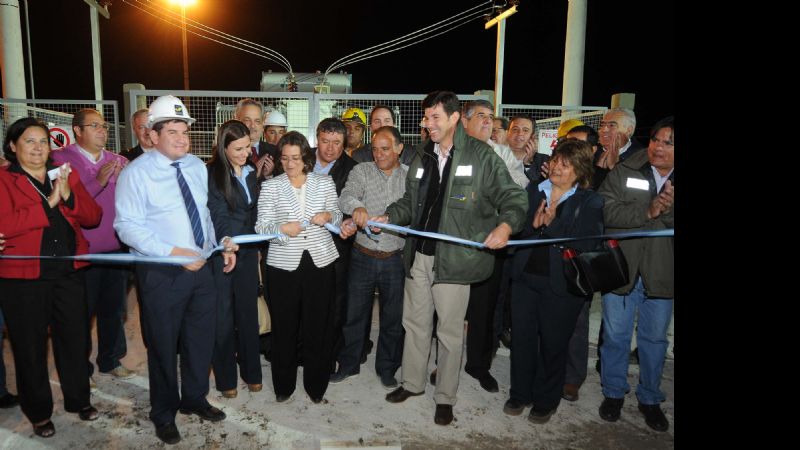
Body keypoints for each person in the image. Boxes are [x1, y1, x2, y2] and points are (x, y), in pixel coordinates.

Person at [377, 91, 527, 426]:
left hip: (455, 261)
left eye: (434, 117)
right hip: (418, 256)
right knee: (414, 324)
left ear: (454, 118)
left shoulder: (481, 156)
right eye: (425, 117)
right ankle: (413, 384)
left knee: (449, 332)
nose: (426, 123)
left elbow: (514, 196)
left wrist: (505, 225)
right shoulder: (422, 156)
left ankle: (445, 397)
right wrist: (390, 216)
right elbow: (410, 201)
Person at [114, 95, 236, 445]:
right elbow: (127, 227)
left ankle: (194, 398)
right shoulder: (136, 173)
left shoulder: (197, 167)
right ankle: (163, 412)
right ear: (153, 135)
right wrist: (174, 253)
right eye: (173, 131)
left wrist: (222, 243)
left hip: (203, 268)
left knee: (200, 341)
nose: (182, 138)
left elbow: (207, 213)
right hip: (162, 275)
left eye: (185, 131)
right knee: (164, 346)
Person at [0, 117, 102, 438]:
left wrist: (69, 194)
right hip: (23, 278)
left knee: (75, 340)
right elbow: (8, 225)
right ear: (13, 146)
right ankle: (39, 412)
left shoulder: (62, 174)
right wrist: (51, 203)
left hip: (68, 273)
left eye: (42, 141)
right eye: (29, 141)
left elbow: (93, 217)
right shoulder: (4, 180)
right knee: (30, 348)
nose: (37, 148)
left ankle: (78, 399)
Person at [502, 139, 603, 424]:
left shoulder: (590, 201)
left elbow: (588, 243)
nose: (557, 166)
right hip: (525, 279)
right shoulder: (534, 190)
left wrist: (553, 224)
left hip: (562, 287)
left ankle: (546, 400)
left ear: (580, 170)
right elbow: (517, 232)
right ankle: (520, 393)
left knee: (553, 344)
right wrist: (533, 227)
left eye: (566, 164)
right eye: (557, 160)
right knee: (521, 340)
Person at [597, 116, 674, 432]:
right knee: (615, 336)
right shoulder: (627, 168)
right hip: (622, 268)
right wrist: (648, 211)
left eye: (669, 142)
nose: (658, 147)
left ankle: (650, 398)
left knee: (654, 340)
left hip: (662, 272)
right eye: (656, 139)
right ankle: (613, 393)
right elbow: (604, 209)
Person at [255, 131, 344, 403]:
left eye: (295, 158)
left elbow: (339, 218)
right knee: (284, 327)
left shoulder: (324, 182)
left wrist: (329, 215)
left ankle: (316, 386)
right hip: (283, 265)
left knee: (318, 326)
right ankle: (284, 386)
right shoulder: (271, 187)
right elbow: (261, 227)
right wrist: (282, 228)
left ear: (305, 157)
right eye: (285, 159)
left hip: (320, 262)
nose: (290, 164)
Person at [52, 108, 137, 389]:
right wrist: (97, 180)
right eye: (94, 126)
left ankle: (110, 359)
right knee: (81, 313)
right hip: (82, 253)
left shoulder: (119, 161)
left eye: (104, 126)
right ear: (77, 130)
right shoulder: (61, 161)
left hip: (115, 251)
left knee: (113, 309)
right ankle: (81, 366)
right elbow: (64, 203)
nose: (103, 131)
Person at [331, 126, 408, 389]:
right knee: (354, 315)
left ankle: (387, 368)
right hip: (362, 255)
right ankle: (349, 364)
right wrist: (358, 208)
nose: (379, 154)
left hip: (394, 259)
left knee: (392, 318)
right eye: (374, 149)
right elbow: (346, 196)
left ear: (399, 148)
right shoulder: (361, 170)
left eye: (385, 149)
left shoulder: (410, 177)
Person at [207, 120, 262, 398]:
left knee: (248, 314)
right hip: (224, 254)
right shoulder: (213, 173)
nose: (245, 153)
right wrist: (226, 242)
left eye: (247, 147)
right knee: (223, 318)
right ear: (223, 147)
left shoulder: (252, 172)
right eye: (238, 149)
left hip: (249, 254)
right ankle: (226, 378)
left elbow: (256, 213)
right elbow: (218, 213)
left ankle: (253, 372)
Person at [351, 104, 415, 166]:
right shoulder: (358, 156)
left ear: (394, 125)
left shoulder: (410, 154)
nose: (382, 125)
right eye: (377, 121)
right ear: (370, 127)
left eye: (387, 121)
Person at [234, 98, 279, 180]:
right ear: (237, 121)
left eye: (257, 121)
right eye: (247, 120)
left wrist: (269, 176)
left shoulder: (275, 152)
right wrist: (254, 175)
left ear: (262, 125)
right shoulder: (229, 153)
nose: (253, 126)